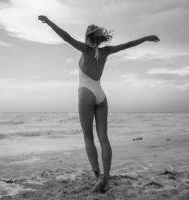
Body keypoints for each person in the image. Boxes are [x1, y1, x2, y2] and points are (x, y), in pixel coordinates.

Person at [38, 15, 159, 193]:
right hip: (101, 95)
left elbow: (67, 37)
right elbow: (129, 44)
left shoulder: (85, 49)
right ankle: (107, 180)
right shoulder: (106, 51)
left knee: (88, 138)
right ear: (100, 38)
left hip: (86, 94)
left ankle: (98, 178)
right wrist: (146, 38)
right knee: (104, 139)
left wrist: (49, 23)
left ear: (88, 37)